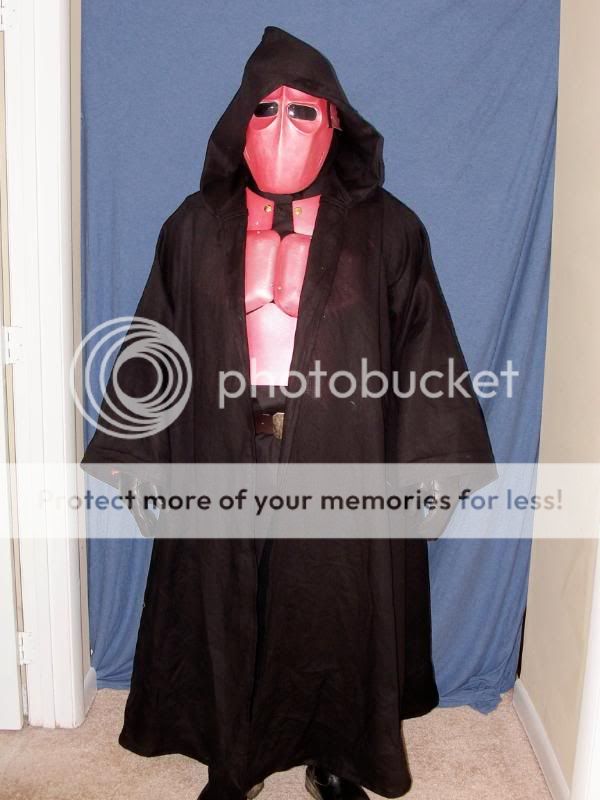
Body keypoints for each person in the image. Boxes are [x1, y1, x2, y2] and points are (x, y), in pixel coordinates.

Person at [82, 26, 495, 800]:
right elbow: (155, 341)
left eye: (304, 110)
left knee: (332, 606)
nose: (282, 127)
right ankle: (231, 757)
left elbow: (423, 348)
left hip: (342, 447)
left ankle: (336, 758)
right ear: (239, 119)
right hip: (219, 447)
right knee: (224, 602)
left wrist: (433, 468)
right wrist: (134, 456)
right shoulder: (192, 225)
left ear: (336, 122)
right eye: (265, 108)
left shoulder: (389, 229)